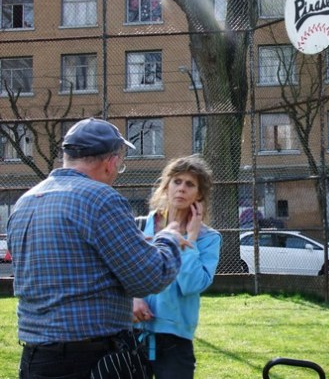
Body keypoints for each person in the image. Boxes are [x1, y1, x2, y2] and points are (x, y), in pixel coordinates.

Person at [7, 117, 190, 379]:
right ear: (111, 162)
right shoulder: (101, 199)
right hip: (90, 361)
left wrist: (136, 246)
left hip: (36, 360)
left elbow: (73, 264)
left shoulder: (25, 203)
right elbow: (149, 277)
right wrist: (169, 237)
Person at [133, 155, 222, 379]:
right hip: (133, 335)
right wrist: (132, 299)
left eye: (190, 184)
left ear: (199, 194)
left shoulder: (209, 239)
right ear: (166, 186)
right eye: (177, 181)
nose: (181, 189)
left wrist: (189, 239)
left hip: (176, 341)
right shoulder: (140, 226)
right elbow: (122, 273)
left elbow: (192, 284)